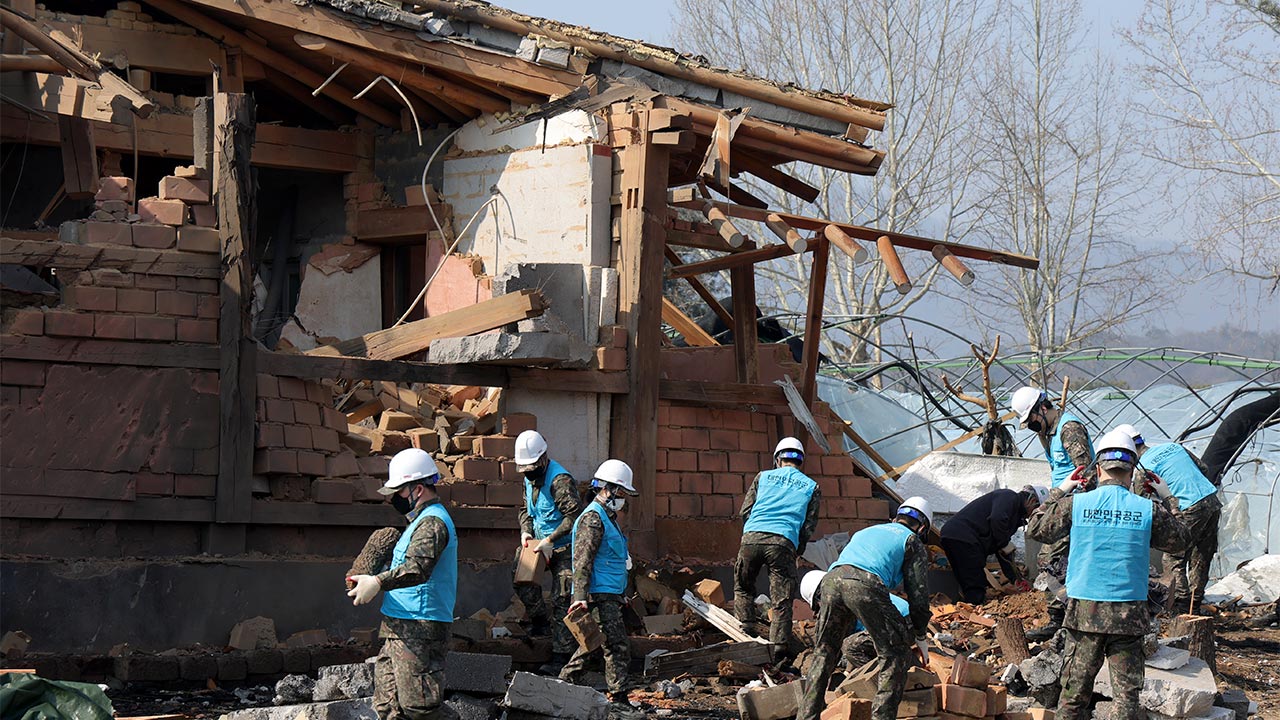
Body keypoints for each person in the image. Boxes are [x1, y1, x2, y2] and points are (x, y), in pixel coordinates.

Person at [1026, 429, 1189, 720]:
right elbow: (1181, 539)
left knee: (1073, 695)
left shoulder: (1076, 505)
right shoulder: (1147, 509)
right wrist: (1168, 498)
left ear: (1098, 468)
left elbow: (1036, 528)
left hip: (1084, 614)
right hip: (1129, 616)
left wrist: (1061, 489)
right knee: (1126, 698)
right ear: (1133, 472)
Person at [798, 498, 934, 720]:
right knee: (894, 652)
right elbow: (918, 596)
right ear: (922, 527)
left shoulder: (867, 531)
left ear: (897, 516)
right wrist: (920, 634)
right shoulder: (911, 540)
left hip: (832, 579)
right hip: (865, 583)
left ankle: (806, 716)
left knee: (824, 654)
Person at [347, 448, 456, 720]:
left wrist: (377, 582)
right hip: (398, 624)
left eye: (398, 492)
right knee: (389, 707)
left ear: (417, 489)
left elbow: (417, 569)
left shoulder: (433, 523)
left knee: (419, 707)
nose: (394, 499)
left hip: (421, 627)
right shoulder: (416, 522)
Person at [1011, 386, 1095, 639]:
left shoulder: (1069, 429)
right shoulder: (1049, 432)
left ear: (1043, 408)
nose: (1033, 426)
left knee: (1049, 559)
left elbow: (1086, 473)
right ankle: (1065, 618)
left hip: (1074, 504)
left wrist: (1067, 504)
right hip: (1063, 501)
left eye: (1033, 420)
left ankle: (1060, 621)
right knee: (1061, 562)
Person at [559, 459, 641, 718]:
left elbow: (614, 559)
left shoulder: (608, 517)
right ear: (606, 489)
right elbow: (583, 560)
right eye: (621, 493)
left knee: (592, 645)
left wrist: (622, 595)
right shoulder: (593, 519)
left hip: (610, 594)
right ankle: (618, 698)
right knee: (616, 646)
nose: (623, 499)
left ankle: (561, 685)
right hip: (598, 595)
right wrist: (580, 597)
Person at [1119, 424, 1222, 614]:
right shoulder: (1173, 447)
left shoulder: (1144, 469)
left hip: (1188, 506)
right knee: (1201, 555)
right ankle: (1194, 605)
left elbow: (1141, 503)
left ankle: (1181, 607)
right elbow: (1204, 468)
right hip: (1211, 499)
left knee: (1173, 557)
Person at [734, 437, 821, 657]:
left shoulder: (763, 477)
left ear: (777, 458)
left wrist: (752, 533)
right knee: (781, 598)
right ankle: (779, 647)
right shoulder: (811, 486)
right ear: (800, 461)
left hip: (752, 537)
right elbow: (808, 526)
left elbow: (745, 511)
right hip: (784, 541)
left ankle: (745, 626)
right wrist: (796, 550)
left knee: (744, 586)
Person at [512, 430, 581, 671]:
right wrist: (526, 531)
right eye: (524, 469)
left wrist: (551, 539)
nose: (529, 472)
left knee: (562, 596)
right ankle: (541, 622)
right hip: (539, 544)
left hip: (564, 546)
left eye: (532, 467)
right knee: (520, 578)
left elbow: (574, 516)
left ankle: (561, 656)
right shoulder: (529, 479)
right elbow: (525, 509)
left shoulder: (559, 481)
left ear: (543, 458)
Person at [939, 485, 1047, 604]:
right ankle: (977, 611)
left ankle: (970, 608)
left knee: (968, 578)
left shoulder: (1015, 515)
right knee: (975, 580)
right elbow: (997, 520)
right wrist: (1004, 543)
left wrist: (1014, 578)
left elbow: (1001, 551)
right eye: (1036, 512)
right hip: (962, 536)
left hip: (958, 537)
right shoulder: (1009, 497)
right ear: (1032, 501)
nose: (1033, 517)